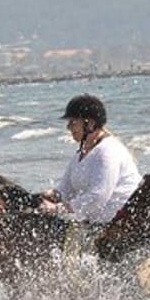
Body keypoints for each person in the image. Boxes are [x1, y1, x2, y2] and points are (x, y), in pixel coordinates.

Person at [39, 94, 142, 225]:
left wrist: (58, 209)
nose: (68, 127)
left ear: (90, 124)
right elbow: (65, 190)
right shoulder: (80, 155)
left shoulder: (108, 151)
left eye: (73, 122)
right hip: (97, 223)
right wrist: (45, 196)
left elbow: (97, 197)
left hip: (122, 224)